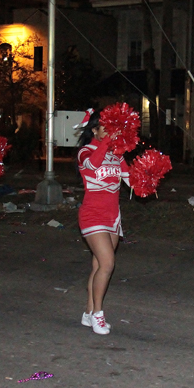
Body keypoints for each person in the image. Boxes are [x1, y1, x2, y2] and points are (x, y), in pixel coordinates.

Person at [76, 110, 130, 335]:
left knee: (99, 266)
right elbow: (92, 165)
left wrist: (150, 174)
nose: (110, 132)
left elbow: (130, 179)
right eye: (105, 128)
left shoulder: (117, 155)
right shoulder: (85, 152)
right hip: (92, 215)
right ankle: (98, 314)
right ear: (94, 130)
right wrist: (109, 140)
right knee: (108, 264)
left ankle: (88, 313)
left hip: (112, 216)